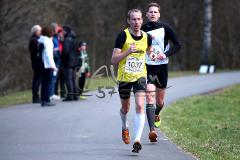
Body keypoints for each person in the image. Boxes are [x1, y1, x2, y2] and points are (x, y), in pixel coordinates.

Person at [111, 9, 153, 153]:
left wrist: (154, 55)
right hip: (124, 77)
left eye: (139, 19)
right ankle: (124, 127)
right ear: (128, 21)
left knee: (140, 105)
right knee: (126, 108)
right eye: (133, 19)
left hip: (140, 76)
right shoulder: (123, 36)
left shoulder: (147, 37)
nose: (137, 22)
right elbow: (113, 59)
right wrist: (127, 51)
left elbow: (149, 52)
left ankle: (137, 140)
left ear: (142, 20)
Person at [141, 2, 181, 142]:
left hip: (162, 67)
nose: (152, 14)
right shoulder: (142, 29)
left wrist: (166, 54)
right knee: (150, 97)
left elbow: (178, 45)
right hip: (147, 67)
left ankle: (157, 113)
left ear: (159, 14)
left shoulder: (165, 28)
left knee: (160, 101)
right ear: (146, 14)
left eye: (155, 12)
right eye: (150, 11)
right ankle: (152, 130)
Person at [38, 26, 58, 107]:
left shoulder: (41, 40)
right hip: (47, 65)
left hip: (42, 64)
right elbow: (48, 55)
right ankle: (46, 100)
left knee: (44, 83)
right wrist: (53, 66)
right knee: (47, 83)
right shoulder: (48, 41)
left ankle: (43, 100)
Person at [61, 25, 78, 101]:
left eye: (63, 31)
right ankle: (75, 95)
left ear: (66, 31)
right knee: (73, 79)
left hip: (68, 62)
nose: (62, 32)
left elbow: (65, 52)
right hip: (74, 61)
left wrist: (61, 56)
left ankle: (70, 96)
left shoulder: (67, 39)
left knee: (68, 79)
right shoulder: (74, 39)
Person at [29, 25, 42, 103]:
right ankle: (35, 97)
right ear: (35, 31)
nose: (40, 32)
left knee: (38, 80)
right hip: (36, 63)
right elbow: (37, 51)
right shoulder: (34, 40)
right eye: (39, 31)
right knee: (37, 80)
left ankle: (36, 96)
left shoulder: (36, 39)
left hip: (37, 62)